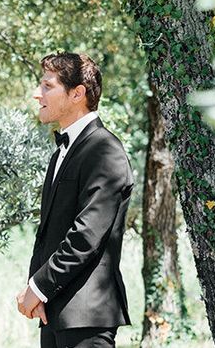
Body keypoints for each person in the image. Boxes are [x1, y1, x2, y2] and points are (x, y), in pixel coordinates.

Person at [16, 52, 134, 348]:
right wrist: (38, 290)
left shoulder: (105, 151)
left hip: (87, 316)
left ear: (77, 94)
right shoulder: (61, 152)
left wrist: (39, 287)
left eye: (47, 86)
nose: (37, 94)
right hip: (54, 312)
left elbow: (86, 236)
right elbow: (48, 232)